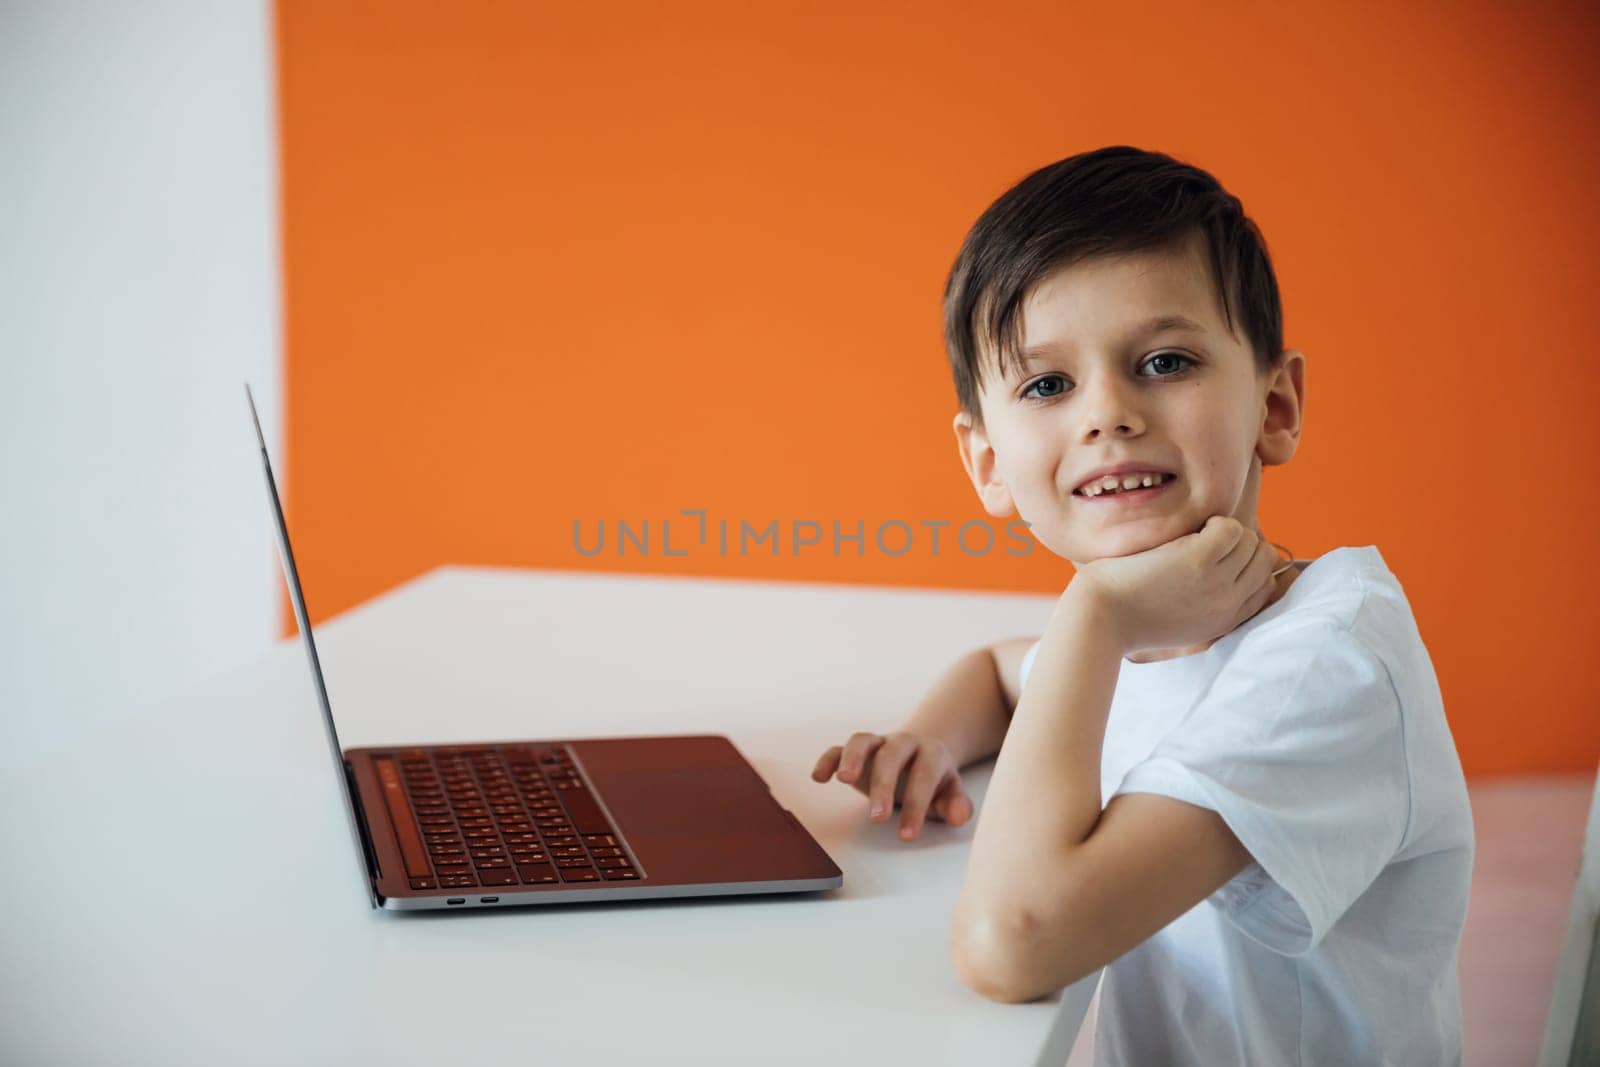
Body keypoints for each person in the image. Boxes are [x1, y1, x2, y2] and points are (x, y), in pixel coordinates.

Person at [811, 145, 1474, 1064]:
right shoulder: (1153, 629)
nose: (1108, 414)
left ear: (1275, 407)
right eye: (1048, 384)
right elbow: (1004, 676)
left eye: (1164, 361)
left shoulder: (1328, 663)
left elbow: (1012, 944)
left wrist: (1094, 612)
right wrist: (929, 736)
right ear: (987, 462)